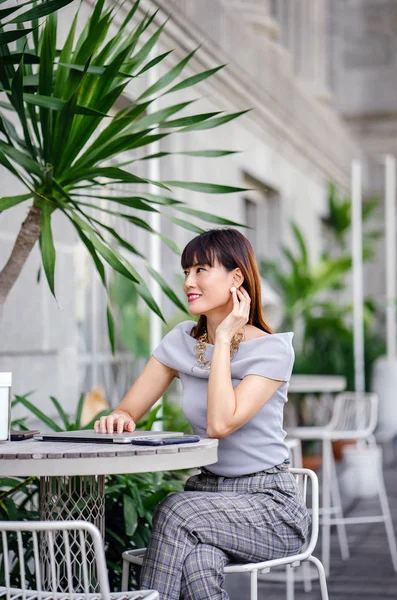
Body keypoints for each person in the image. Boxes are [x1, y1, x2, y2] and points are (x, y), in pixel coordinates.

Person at [94, 228, 310, 600]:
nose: (188, 282)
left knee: (176, 511)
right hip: (208, 496)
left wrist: (224, 340)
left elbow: (220, 423)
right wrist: (120, 417)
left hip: (270, 507)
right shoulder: (179, 341)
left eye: (200, 270)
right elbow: (130, 407)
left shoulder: (273, 350)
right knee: (197, 564)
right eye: (185, 272)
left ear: (236, 278)